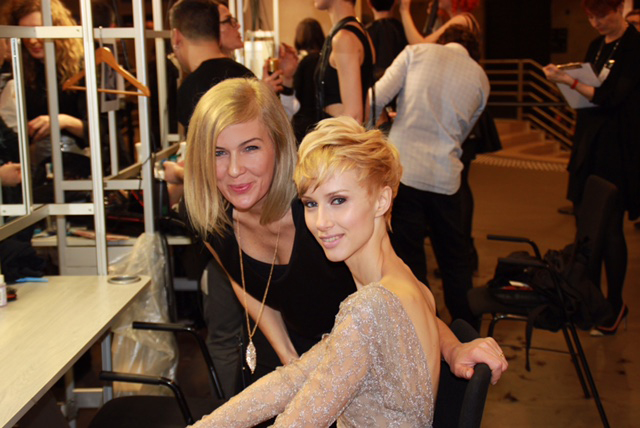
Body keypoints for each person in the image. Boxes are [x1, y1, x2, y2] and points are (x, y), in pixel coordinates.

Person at [183, 78, 507, 395]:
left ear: (278, 145)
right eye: (218, 153)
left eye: (250, 148)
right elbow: (242, 277)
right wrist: (290, 360)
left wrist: (452, 348)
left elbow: (403, 290)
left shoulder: (318, 209)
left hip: (357, 366)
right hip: (284, 357)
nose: (234, 169)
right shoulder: (210, 218)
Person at [189, 116, 449, 427]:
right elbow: (294, 378)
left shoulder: (371, 306)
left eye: (338, 200)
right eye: (310, 204)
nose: (321, 222)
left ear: (382, 200)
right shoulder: (402, 284)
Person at [369, 25, 489, 328]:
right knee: (455, 261)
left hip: (405, 174)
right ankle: (466, 333)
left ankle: (422, 329)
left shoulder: (416, 53)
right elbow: (464, 131)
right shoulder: (480, 78)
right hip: (446, 179)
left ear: (443, 41)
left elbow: (374, 97)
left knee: (409, 261)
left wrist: (379, 130)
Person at [543, 0, 640, 335]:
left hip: (617, 150)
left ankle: (615, 304)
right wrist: (567, 83)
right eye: (591, 17)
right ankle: (589, 299)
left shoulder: (634, 46)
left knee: (610, 229)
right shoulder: (596, 45)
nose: (597, 23)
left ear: (620, 9)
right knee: (586, 228)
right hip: (589, 144)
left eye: (603, 16)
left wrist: (568, 81)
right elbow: (588, 96)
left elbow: (609, 97)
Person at [4, 0, 86, 175]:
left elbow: (105, 130)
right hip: (44, 171)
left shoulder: (85, 67)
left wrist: (63, 121)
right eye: (25, 33)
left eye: (38, 31)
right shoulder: (23, 72)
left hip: (90, 166)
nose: (32, 40)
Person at [314, 0, 375, 123]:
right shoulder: (358, 33)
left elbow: (354, 117)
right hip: (337, 131)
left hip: (339, 133)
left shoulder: (345, 38)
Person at [291, 18, 325, 142]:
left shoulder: (301, 61)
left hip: (303, 120)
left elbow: (296, 91)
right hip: (322, 119)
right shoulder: (325, 59)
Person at [399, 0, 480, 45]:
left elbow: (421, 46)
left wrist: (404, 10)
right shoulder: (458, 20)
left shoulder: (461, 20)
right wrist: (436, 18)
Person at [366, 0, 408, 81]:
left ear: (369, 3)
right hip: (401, 83)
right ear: (395, 2)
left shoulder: (365, 33)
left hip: (374, 85)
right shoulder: (405, 31)